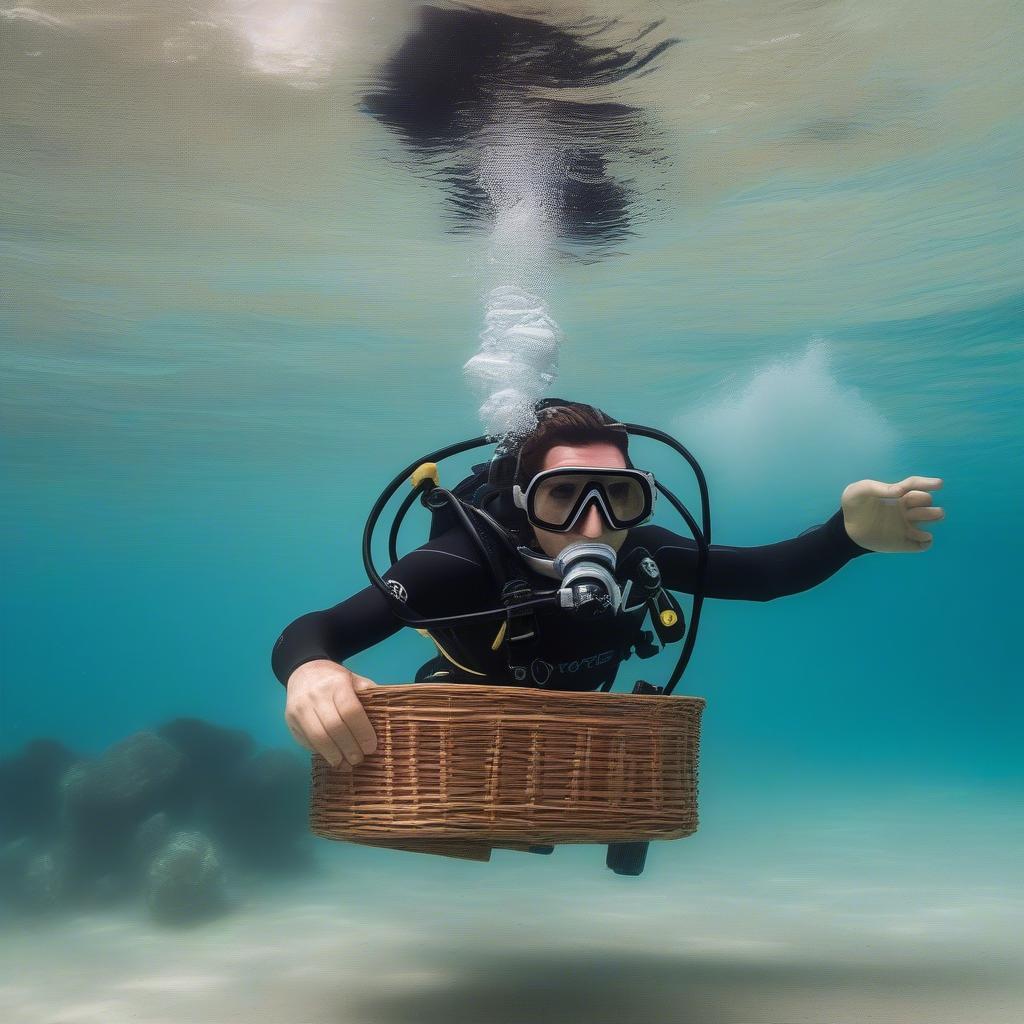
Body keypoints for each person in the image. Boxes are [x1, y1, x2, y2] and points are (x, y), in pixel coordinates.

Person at [271, 401, 944, 771]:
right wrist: (311, 672)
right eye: (563, 496)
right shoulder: (464, 564)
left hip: (577, 738)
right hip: (472, 720)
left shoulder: (640, 550)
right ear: (524, 501)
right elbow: (315, 631)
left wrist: (847, 536)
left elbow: (766, 575)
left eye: (617, 497)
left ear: (641, 500)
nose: (594, 523)